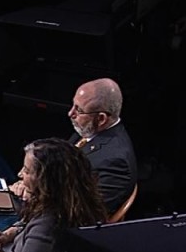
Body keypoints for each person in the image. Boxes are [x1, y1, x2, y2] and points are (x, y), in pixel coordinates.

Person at [9, 78, 137, 218]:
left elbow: (82, 212)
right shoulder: (89, 130)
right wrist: (30, 182)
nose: (70, 114)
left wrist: (35, 194)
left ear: (101, 119)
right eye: (73, 105)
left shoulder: (116, 163)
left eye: (79, 110)